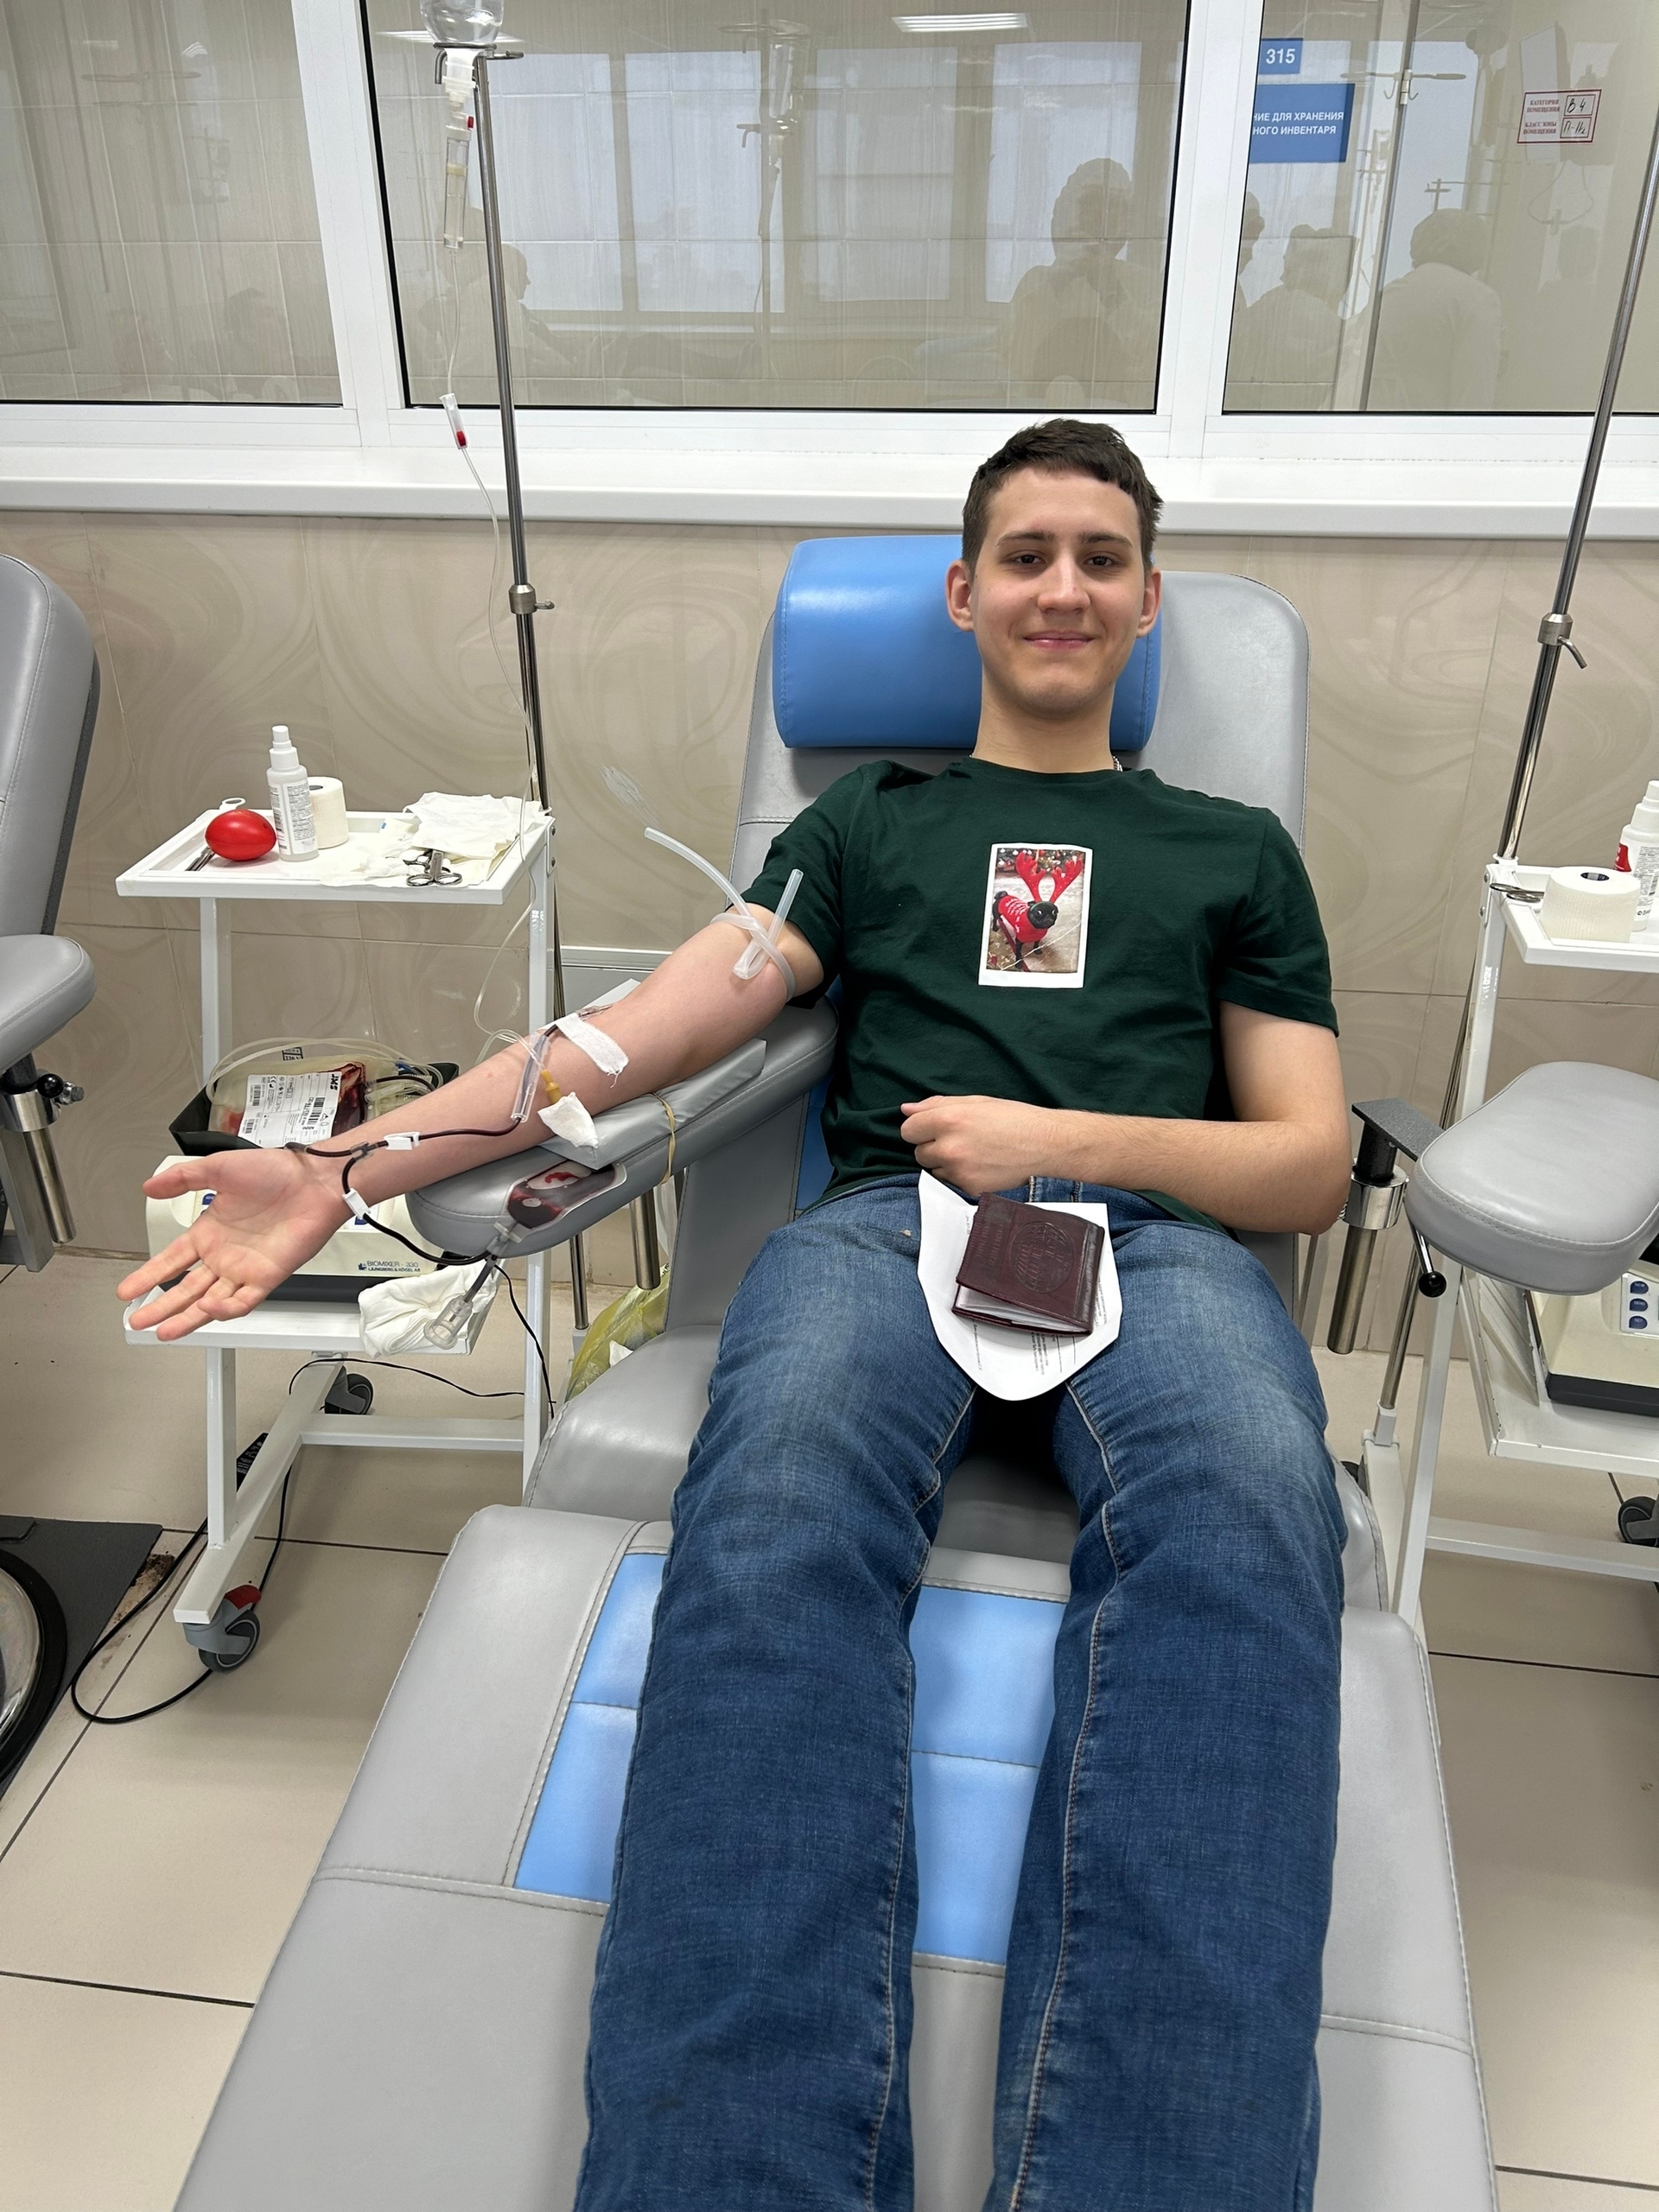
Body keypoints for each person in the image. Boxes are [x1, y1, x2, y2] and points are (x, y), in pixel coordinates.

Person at [121, 418, 1352, 2211]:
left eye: (1101, 557)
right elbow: (635, 1036)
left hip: (1157, 1246)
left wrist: (1063, 1142)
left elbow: (1309, 1161)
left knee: (1249, 1533)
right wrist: (351, 1165)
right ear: (964, 593)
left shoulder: (1231, 849)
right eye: (1026, 554)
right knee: (768, 1521)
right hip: (887, 1235)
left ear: (1149, 601)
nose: (1063, 586)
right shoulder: (871, 822)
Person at [1368, 207, 1501, 410]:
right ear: (1477, 248)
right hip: (1428, 424)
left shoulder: (1391, 292)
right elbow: (1474, 393)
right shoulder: (1478, 298)